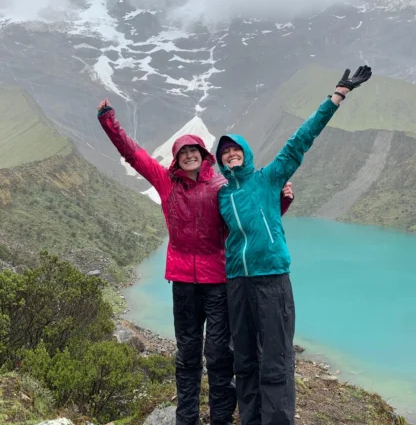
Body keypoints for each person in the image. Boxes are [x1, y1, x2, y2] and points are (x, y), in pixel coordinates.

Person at [96, 98, 294, 425]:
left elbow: (247, 224)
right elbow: (134, 154)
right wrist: (109, 121)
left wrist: (282, 203)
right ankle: (185, 419)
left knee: (219, 356)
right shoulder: (165, 182)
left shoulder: (220, 187)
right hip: (184, 285)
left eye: (195, 151)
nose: (189, 155)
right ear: (176, 158)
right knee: (187, 356)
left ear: (204, 156)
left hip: (218, 284)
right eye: (183, 151)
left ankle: (220, 419)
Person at [215, 65, 372, 425]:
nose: (230, 155)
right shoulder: (222, 196)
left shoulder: (268, 179)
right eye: (224, 153)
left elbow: (300, 140)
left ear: (245, 153)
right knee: (245, 361)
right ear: (220, 162)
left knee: (275, 360)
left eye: (235, 149)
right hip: (238, 284)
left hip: (271, 279)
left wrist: (337, 96)